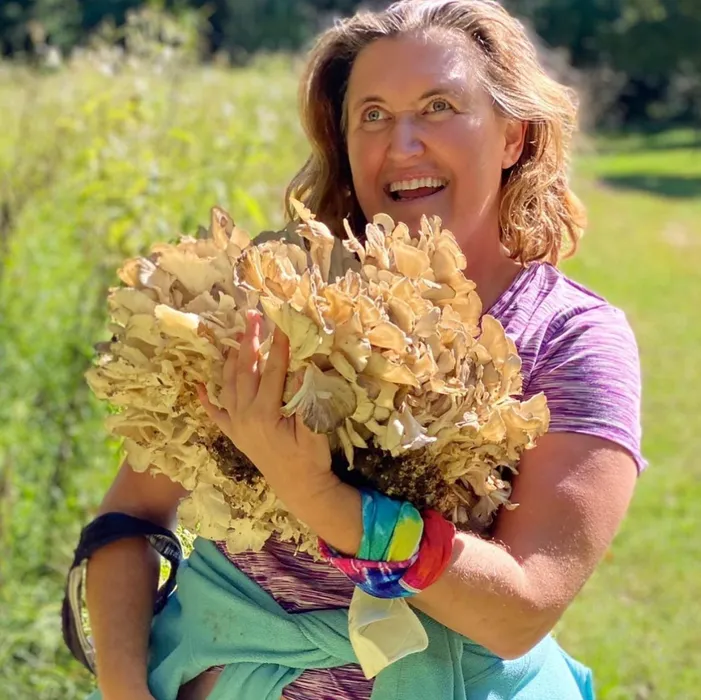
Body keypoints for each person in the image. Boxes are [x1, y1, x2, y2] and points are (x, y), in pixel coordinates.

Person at [76, 1, 644, 698]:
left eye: (438, 107)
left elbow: (520, 610)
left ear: (512, 137)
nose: (402, 144)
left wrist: (318, 497)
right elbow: (129, 517)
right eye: (372, 115)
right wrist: (124, 688)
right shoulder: (266, 297)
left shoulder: (571, 337)